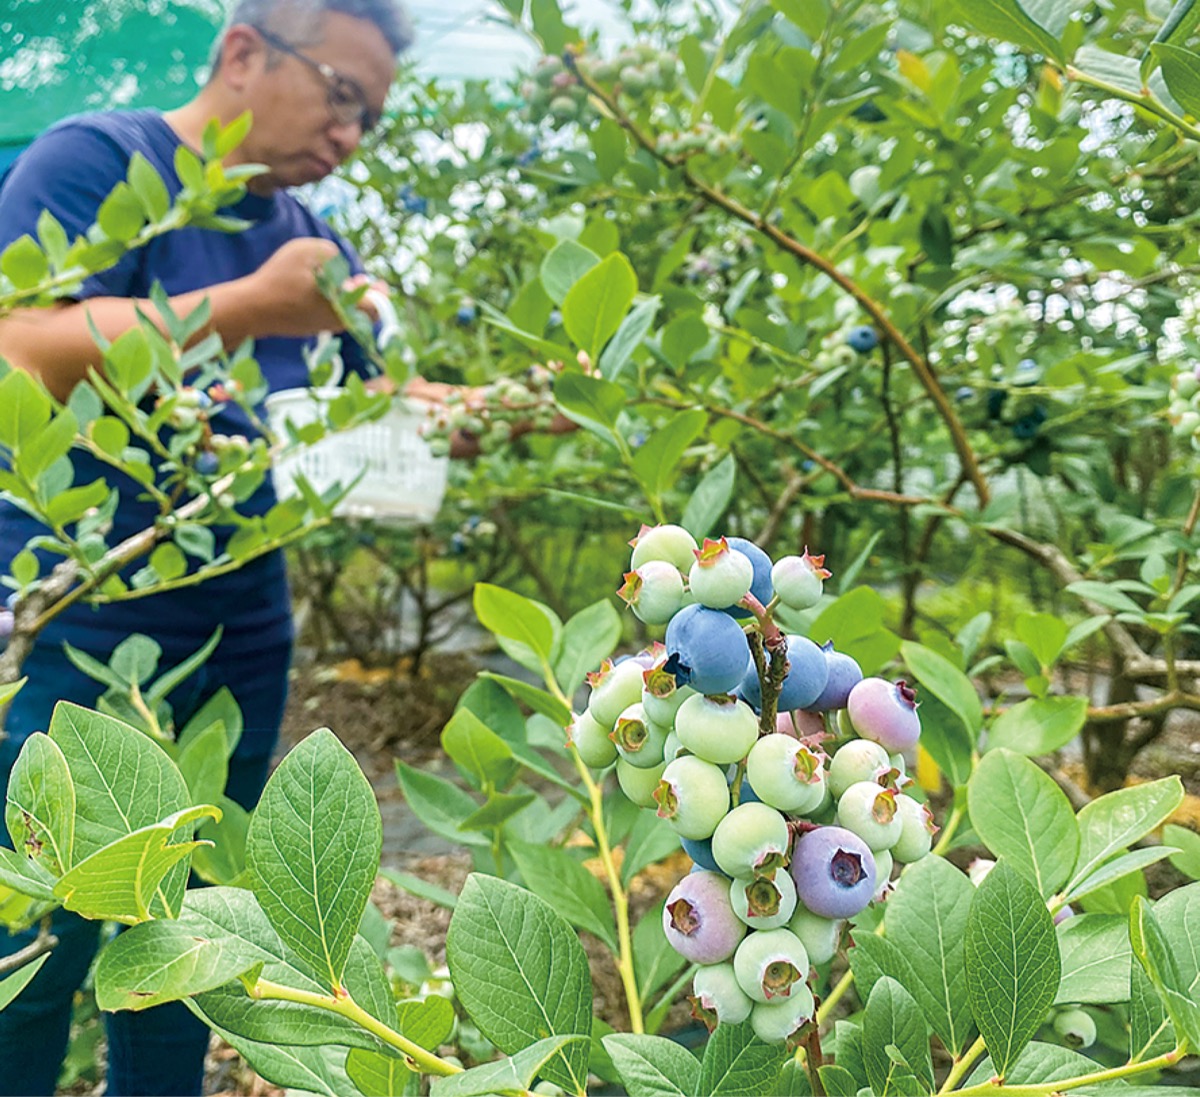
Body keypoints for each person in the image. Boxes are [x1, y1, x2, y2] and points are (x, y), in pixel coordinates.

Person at [0, 2, 455, 1093]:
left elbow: (367, 397)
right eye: (345, 97)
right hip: (81, 603)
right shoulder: (96, 160)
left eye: (372, 121)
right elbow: (16, 349)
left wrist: (466, 406)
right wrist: (249, 306)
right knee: (46, 920)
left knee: (197, 917)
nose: (350, 136)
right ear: (244, 52)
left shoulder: (309, 235)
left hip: (241, 614)